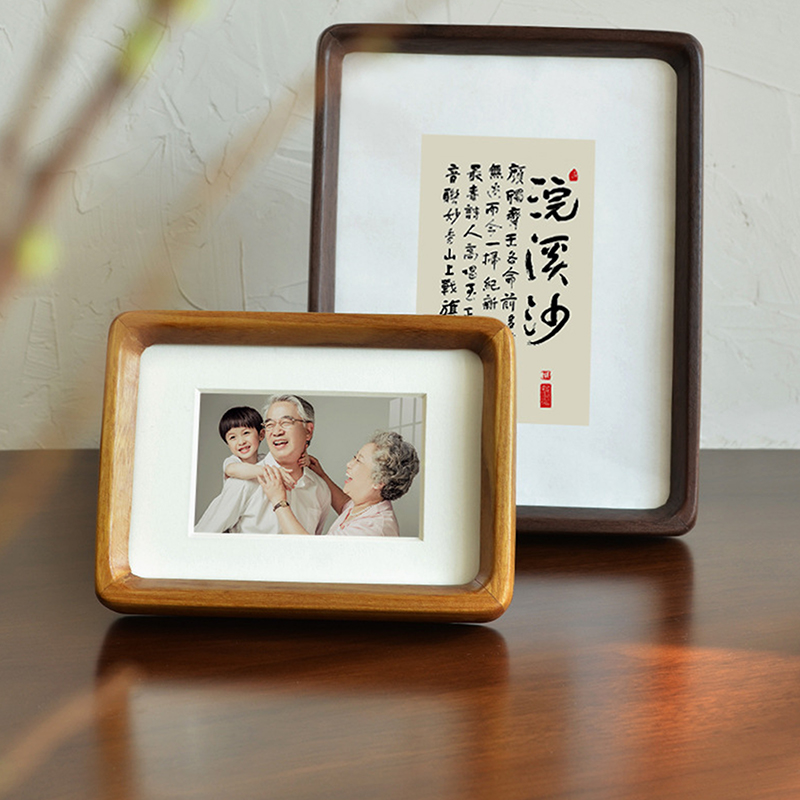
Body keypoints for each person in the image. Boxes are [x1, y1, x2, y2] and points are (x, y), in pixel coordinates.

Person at [195, 395, 331, 535]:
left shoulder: (320, 490)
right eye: (270, 425)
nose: (277, 432)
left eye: (285, 422)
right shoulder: (243, 483)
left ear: (308, 431)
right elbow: (199, 536)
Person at [258, 430, 419, 537]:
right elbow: (345, 506)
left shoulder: (371, 528)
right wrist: (322, 475)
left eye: (358, 460)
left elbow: (312, 554)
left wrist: (279, 501)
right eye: (354, 456)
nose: (349, 464)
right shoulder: (367, 503)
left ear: (379, 481)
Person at [194, 406, 266, 533]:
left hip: (254, 517)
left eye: (246, 433)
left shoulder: (264, 459)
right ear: (227, 443)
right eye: (233, 437)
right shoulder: (233, 461)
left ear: (261, 435)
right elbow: (232, 470)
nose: (241, 442)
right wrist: (267, 471)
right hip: (232, 521)